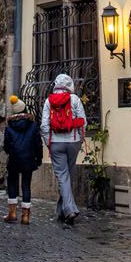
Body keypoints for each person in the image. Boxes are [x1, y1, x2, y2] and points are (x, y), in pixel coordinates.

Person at [40, 72, 87, 226]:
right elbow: (83, 121)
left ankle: (68, 210)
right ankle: (63, 209)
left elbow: (44, 125)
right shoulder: (75, 99)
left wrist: (49, 143)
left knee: (62, 176)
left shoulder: (49, 101)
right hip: (73, 141)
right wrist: (79, 140)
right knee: (67, 175)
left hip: (56, 143)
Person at [3, 94, 42, 226]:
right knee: (26, 185)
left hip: (14, 159)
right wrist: (39, 158)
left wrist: (12, 151)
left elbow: (6, 147)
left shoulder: (9, 127)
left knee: (12, 184)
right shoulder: (33, 125)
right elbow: (38, 144)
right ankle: (25, 216)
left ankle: (12, 213)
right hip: (29, 159)